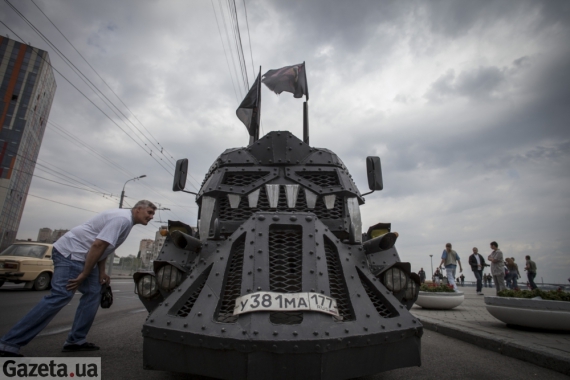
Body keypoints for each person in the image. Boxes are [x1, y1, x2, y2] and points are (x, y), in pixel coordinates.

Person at [0, 200, 156, 357]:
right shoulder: (122, 219)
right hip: (71, 253)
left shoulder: (126, 221)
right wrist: (85, 274)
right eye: (149, 212)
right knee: (60, 295)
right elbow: (98, 245)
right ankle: (8, 344)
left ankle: (76, 340)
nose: (151, 216)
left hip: (83, 256)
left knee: (94, 292)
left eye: (153, 213)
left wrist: (101, 272)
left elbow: (105, 248)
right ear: (137, 209)